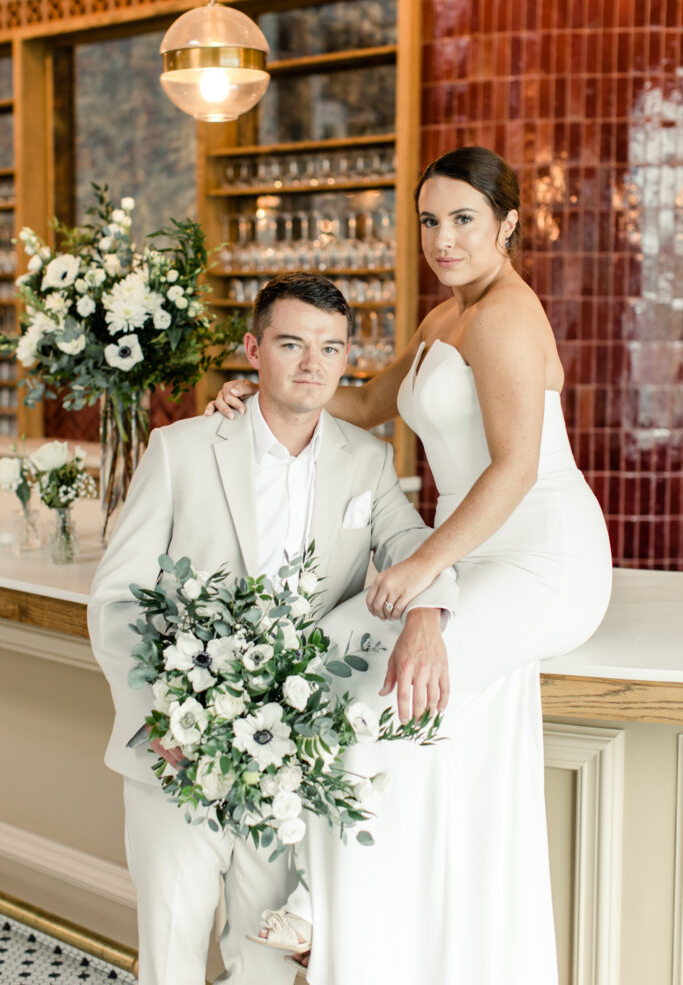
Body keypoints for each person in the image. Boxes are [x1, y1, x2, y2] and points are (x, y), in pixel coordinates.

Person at [207, 146, 613, 985]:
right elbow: (356, 404)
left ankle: (323, 907)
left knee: (381, 683)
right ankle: (343, 904)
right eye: (430, 220)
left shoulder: (505, 314)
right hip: (472, 551)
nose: (443, 238)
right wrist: (261, 387)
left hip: (542, 556)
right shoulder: (441, 320)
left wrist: (423, 566)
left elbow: (513, 469)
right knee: (320, 656)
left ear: (505, 223)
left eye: (463, 219)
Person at [87, 271, 459, 985]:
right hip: (175, 754)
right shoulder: (180, 449)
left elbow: (414, 546)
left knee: (262, 965)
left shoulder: (368, 460)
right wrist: (158, 717)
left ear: (346, 359)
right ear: (253, 350)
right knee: (170, 956)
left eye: (329, 348)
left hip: (283, 770)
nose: (310, 363)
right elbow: (117, 599)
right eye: (291, 344)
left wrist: (424, 615)